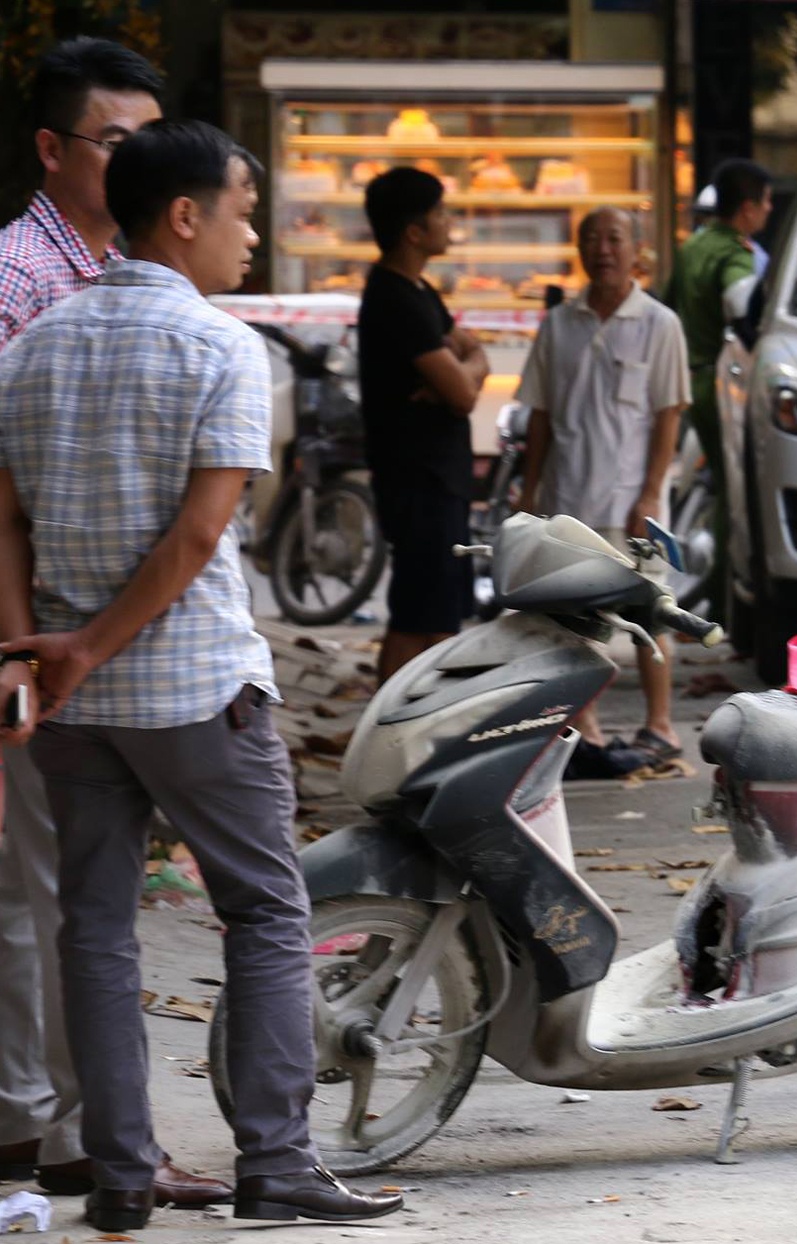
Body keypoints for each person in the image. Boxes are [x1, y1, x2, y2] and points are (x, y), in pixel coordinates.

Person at [0, 120, 402, 1231]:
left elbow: (4, 523)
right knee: (268, 910)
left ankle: (120, 1175)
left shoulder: (28, 348)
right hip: (194, 691)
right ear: (184, 215)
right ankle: (275, 1162)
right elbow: (195, 537)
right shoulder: (222, 348)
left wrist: (36, 648)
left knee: (94, 924)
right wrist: (78, 646)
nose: (253, 231)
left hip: (77, 704)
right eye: (243, 208)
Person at [0, 36, 175, 1206]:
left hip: (102, 642)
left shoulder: (128, 271)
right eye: (118, 140)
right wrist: (17, 650)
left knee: (90, 889)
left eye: (150, 141)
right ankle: (22, 1129)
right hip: (32, 638)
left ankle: (81, 1128)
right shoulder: (18, 277)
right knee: (25, 889)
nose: (140, 161)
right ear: (55, 149)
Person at [516, 207, 692, 778]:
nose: (603, 249)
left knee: (650, 615)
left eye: (614, 238)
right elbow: (539, 414)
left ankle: (661, 725)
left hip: (630, 501)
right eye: (591, 239)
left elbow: (669, 414)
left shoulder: (659, 323)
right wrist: (529, 488)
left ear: (636, 250)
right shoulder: (559, 323)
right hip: (568, 497)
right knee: (574, 621)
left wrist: (649, 494)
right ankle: (585, 728)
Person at [358, 167, 490, 683]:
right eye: (440, 212)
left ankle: (404, 731)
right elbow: (461, 393)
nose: (448, 221)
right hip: (418, 479)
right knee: (423, 617)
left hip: (438, 476)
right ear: (414, 230)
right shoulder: (395, 298)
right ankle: (399, 732)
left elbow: (469, 358)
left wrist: (467, 368)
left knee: (431, 611)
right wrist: (462, 377)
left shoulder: (419, 292)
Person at [664, 159, 773, 609]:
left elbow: (668, 309)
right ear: (747, 208)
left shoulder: (695, 245)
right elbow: (741, 303)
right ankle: (721, 595)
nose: (768, 211)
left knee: (717, 488)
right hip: (717, 383)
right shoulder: (736, 253)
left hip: (687, 381)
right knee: (732, 493)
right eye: (766, 202)